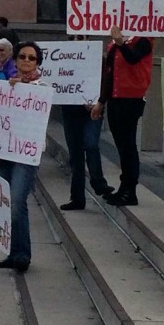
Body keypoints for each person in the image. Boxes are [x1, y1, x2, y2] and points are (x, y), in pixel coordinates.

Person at [0, 42, 46, 272]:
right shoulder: (6, 86)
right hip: (5, 151)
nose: (26, 60)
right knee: (7, 203)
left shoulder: (42, 87)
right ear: (15, 60)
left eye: (31, 58)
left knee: (16, 202)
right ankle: (14, 252)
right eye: (22, 56)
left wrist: (21, 90)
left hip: (26, 154)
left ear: (37, 62)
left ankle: (23, 254)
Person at [92, 26, 153, 206]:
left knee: (128, 144)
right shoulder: (116, 40)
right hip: (116, 98)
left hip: (131, 99)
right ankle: (124, 187)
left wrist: (120, 43)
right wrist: (102, 101)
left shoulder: (144, 38)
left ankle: (130, 189)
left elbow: (133, 58)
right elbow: (110, 73)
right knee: (121, 145)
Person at [59, 36, 113, 210]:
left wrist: (99, 101)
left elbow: (106, 82)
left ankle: (98, 182)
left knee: (91, 144)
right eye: (76, 37)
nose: (79, 40)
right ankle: (77, 198)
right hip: (70, 112)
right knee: (75, 156)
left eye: (82, 37)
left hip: (93, 110)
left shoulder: (99, 59)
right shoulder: (64, 58)